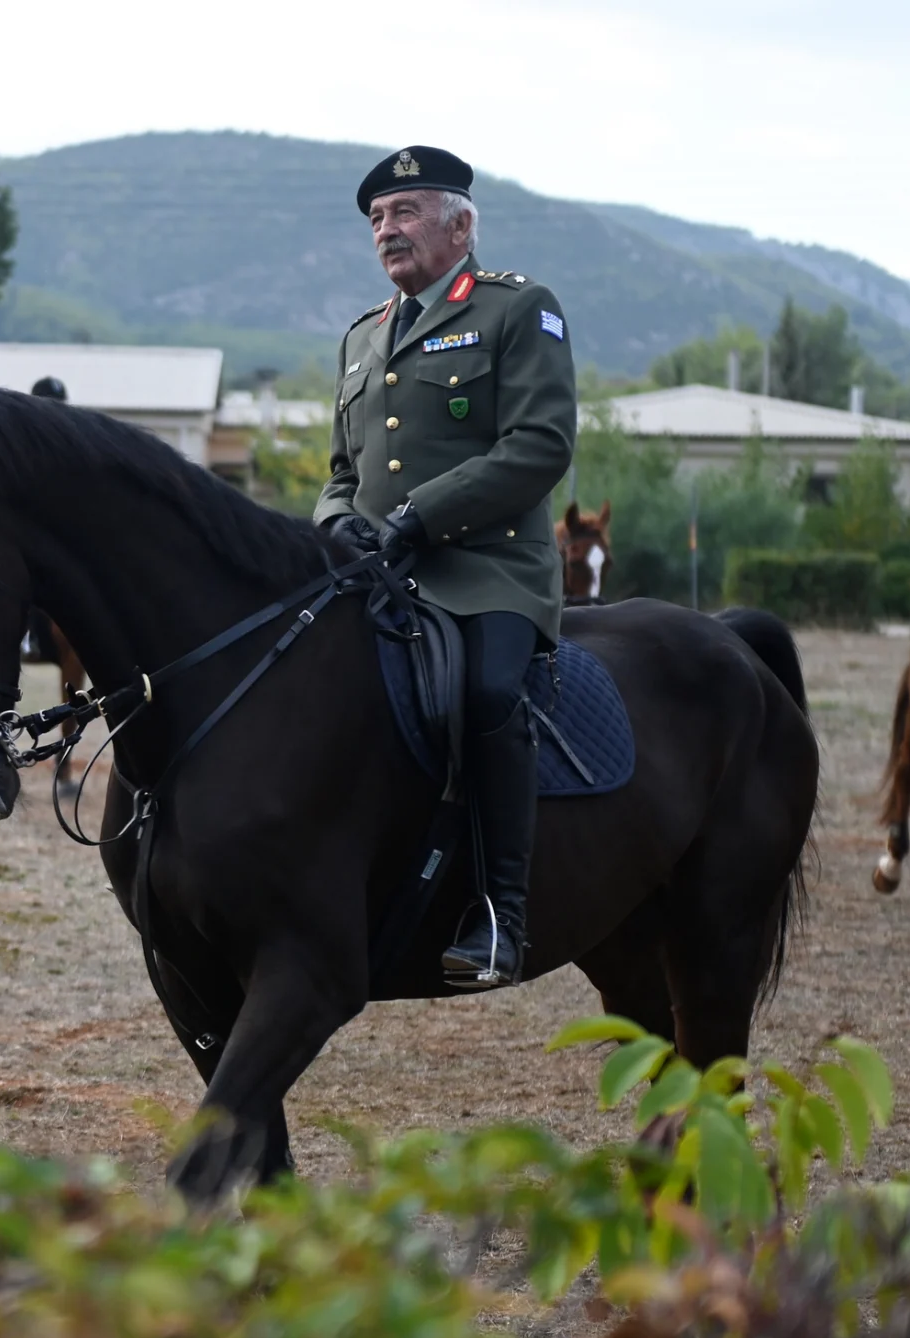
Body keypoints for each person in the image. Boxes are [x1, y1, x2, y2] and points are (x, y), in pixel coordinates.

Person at [313, 145, 577, 989]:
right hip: (378, 574)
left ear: (459, 225)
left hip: (486, 570)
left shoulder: (517, 309)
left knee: (485, 694)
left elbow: (539, 448)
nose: (388, 232)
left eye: (405, 214)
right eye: (377, 221)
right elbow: (340, 477)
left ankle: (501, 911)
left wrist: (418, 516)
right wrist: (334, 528)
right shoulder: (361, 337)